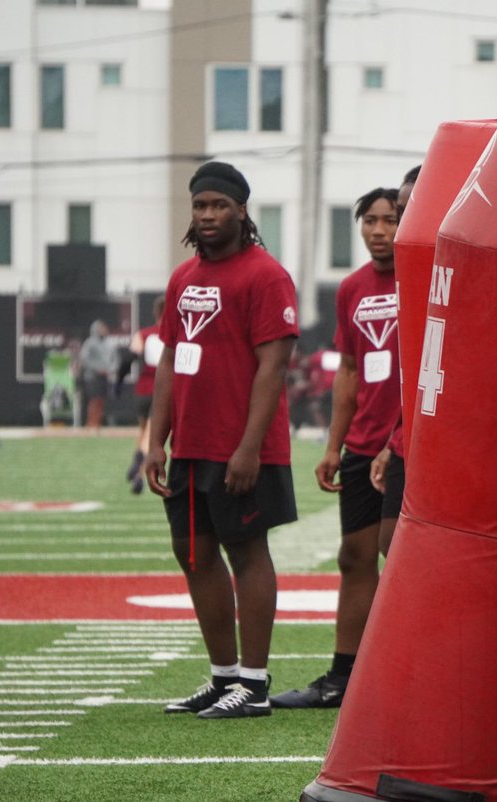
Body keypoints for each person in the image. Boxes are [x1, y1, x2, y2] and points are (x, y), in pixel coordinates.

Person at [145, 161, 299, 719]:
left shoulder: (265, 275)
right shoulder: (183, 278)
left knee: (247, 552)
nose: (208, 215)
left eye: (219, 205)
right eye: (200, 205)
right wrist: (155, 440)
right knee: (194, 554)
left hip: (242, 448)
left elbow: (273, 366)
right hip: (189, 445)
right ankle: (223, 677)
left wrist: (249, 447)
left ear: (241, 210)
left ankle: (253, 685)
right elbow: (169, 361)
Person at [272, 187, 400, 710]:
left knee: (398, 554)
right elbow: (348, 370)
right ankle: (343, 677)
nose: (378, 230)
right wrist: (333, 445)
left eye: (389, 219)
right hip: (362, 444)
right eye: (369, 220)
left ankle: (407, 671)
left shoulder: (426, 278)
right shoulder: (351, 288)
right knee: (354, 557)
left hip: (407, 445)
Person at [369, 164, 420, 557]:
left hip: (449, 439)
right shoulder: (404, 274)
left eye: (404, 213)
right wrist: (394, 440)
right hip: (404, 437)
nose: (395, 225)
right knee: (390, 545)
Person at [120, 297, 165, 494]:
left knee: (143, 429)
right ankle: (139, 473)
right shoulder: (176, 335)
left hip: (142, 389)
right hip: (161, 390)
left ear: (155, 313)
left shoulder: (144, 334)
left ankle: (135, 460)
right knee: (150, 434)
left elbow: (128, 359)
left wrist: (118, 381)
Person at [79, 320, 114, 431]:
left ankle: (97, 423)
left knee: (101, 400)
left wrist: (109, 369)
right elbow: (84, 359)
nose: (104, 330)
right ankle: (91, 423)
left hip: (104, 377)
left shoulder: (107, 343)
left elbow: (112, 359)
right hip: (92, 377)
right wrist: (98, 369)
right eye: (102, 328)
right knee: (94, 400)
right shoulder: (90, 343)